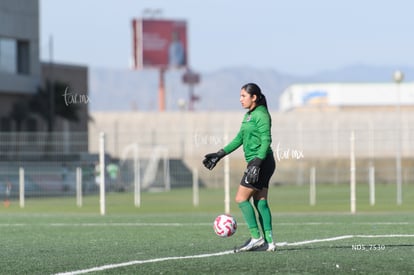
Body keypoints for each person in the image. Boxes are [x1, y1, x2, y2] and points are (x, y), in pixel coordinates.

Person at [203, 83, 276, 252]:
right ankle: (269, 242)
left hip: (261, 161)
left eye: (243, 96)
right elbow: (239, 138)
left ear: (254, 97)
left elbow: (266, 141)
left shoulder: (261, 115)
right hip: (261, 162)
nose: (240, 99)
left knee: (241, 199)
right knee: (260, 202)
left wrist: (257, 163)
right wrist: (219, 154)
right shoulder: (249, 116)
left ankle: (256, 238)